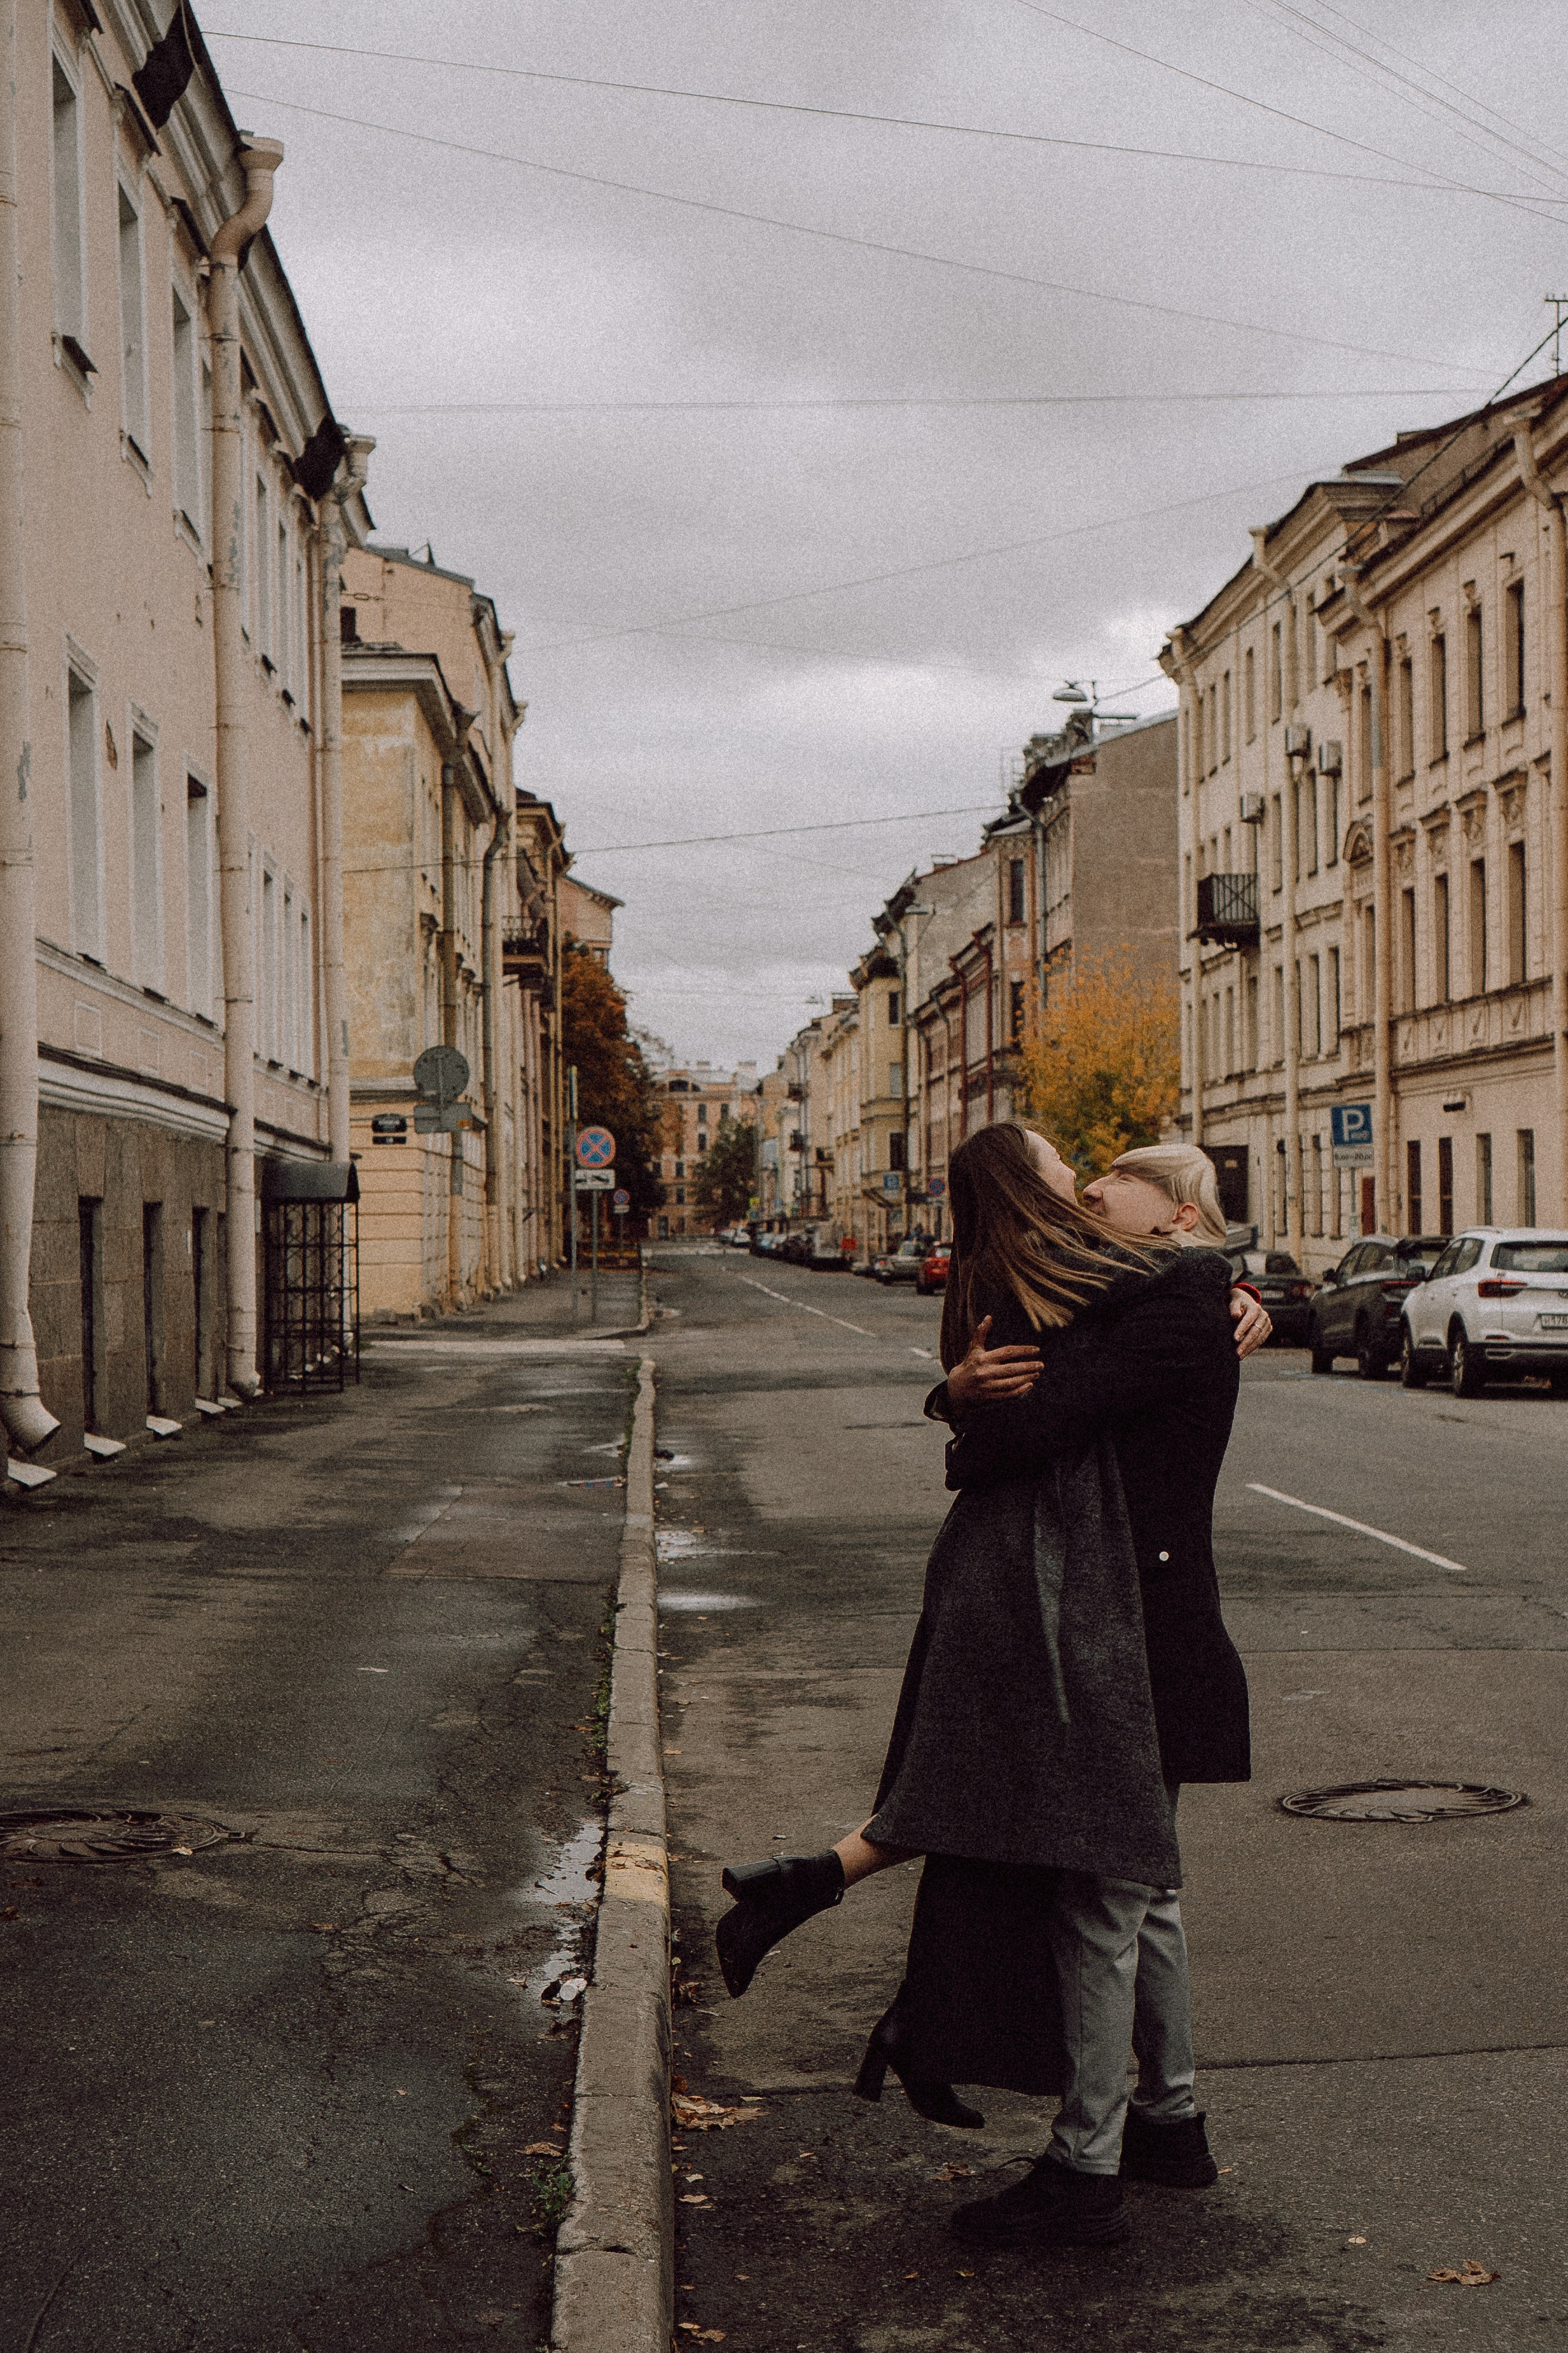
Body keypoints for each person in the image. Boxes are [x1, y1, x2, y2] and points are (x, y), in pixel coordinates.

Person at [716, 1126, 1261, 2245]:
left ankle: (1085, 2169)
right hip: (1130, 1632)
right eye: (1076, 1167)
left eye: (1112, 1176)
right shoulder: (1146, 1292)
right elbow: (1007, 1422)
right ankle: (1169, 2124)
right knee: (1140, 1895)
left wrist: (965, 1405)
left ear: (1176, 1215)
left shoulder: (1182, 1292)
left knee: (1105, 1902)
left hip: (1141, 1638)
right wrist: (955, 1387)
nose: (1090, 1181)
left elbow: (1028, 1430)